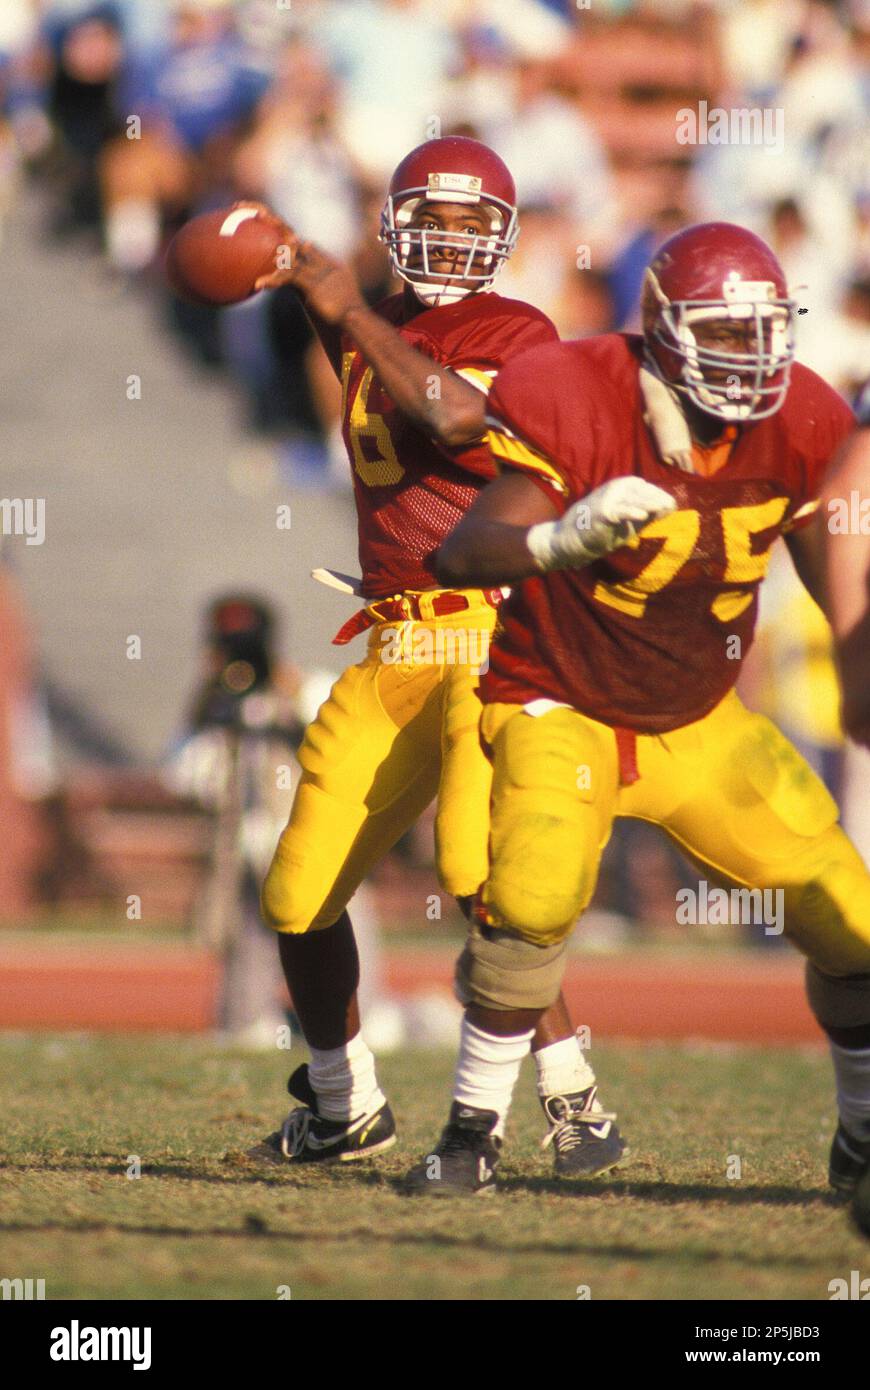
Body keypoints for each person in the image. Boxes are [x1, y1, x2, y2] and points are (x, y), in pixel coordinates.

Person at [408, 224, 870, 1227]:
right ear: (662, 331)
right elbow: (459, 553)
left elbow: (832, 567)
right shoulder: (578, 392)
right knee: (532, 896)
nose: (748, 355)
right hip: (560, 697)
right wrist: (560, 535)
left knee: (853, 919)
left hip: (701, 715)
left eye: (761, 330)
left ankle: (863, 1138)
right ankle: (470, 1137)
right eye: (722, 332)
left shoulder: (806, 421)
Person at [244, 136, 626, 1175]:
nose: (452, 238)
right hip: (393, 641)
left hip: (493, 634)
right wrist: (275, 262)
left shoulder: (517, 327)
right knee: (298, 890)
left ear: (502, 238)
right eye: (435, 217)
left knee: (479, 869)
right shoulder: (379, 325)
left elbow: (454, 414)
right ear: (393, 218)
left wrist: (350, 309)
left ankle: (569, 1095)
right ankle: (342, 1101)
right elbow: (354, 349)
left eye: (472, 223)